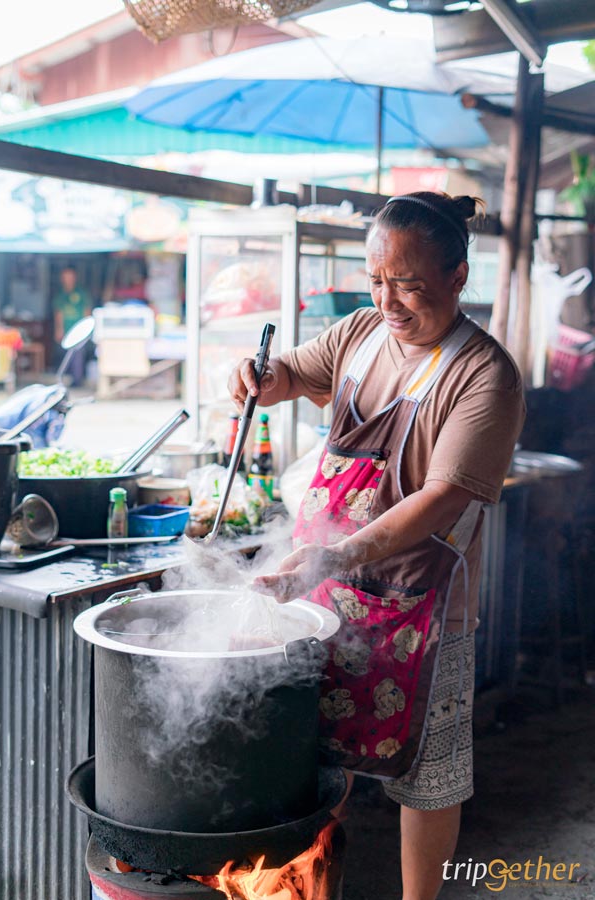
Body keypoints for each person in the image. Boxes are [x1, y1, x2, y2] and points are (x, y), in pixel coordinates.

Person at [229, 191, 526, 900]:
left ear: (458, 277)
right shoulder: (360, 333)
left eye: (411, 285)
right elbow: (294, 374)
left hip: (423, 609)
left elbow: (443, 496)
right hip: (322, 592)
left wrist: (335, 554)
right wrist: (260, 378)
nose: (389, 301)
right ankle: (311, 887)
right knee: (314, 755)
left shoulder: (484, 375)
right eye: (377, 281)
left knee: (428, 778)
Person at [52, 265, 92, 385]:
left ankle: (77, 380)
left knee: (78, 354)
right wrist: (59, 329)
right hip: (66, 328)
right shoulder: (60, 294)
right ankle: (67, 378)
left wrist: (86, 328)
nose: (68, 279)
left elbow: (87, 310)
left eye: (70, 276)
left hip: (80, 328)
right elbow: (58, 313)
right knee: (66, 354)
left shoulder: (81, 293)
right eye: (65, 277)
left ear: (75, 277)